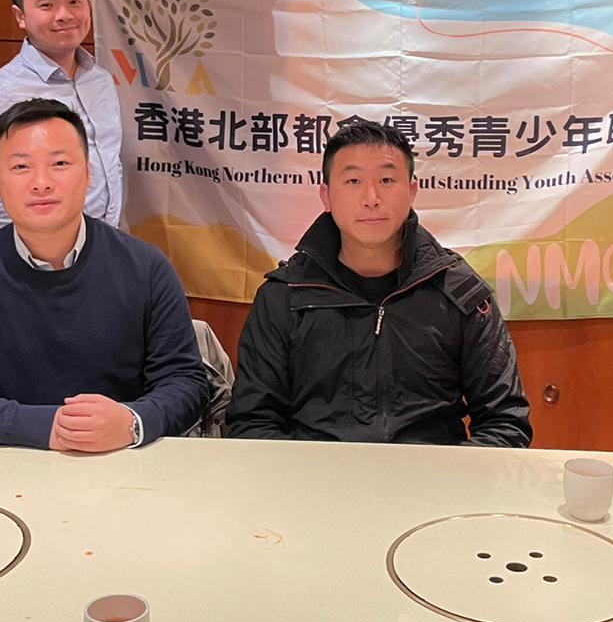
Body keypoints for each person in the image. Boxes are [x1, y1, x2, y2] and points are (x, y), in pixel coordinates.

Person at [0, 99, 208, 449]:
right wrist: (44, 426)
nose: (41, 183)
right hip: (12, 458)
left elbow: (187, 382)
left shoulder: (145, 268)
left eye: (59, 164)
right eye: (21, 167)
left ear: (88, 172)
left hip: (124, 459)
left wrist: (134, 422)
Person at [227, 118, 532, 446]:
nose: (371, 198)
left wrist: (448, 475)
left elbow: (505, 423)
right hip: (314, 473)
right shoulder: (284, 296)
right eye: (353, 181)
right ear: (326, 196)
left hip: (432, 473)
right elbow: (252, 422)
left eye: (386, 180)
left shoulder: (459, 292)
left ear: (412, 191)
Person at [0, 0, 122, 234]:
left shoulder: (101, 80)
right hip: (41, 255)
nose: (64, 15)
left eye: (74, 2)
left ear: (89, 5)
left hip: (105, 245)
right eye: (47, 5)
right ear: (20, 16)